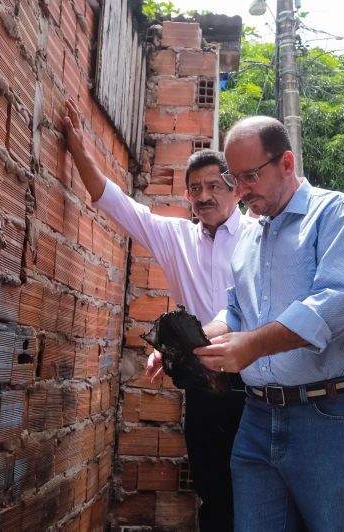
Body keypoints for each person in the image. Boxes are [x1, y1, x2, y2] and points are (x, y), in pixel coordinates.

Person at [63, 99, 250, 531]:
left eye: (214, 187)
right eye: (195, 189)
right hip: (204, 384)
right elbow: (117, 204)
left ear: (235, 189)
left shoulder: (260, 235)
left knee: (257, 488)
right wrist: (79, 149)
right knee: (211, 488)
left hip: (256, 381)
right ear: (187, 196)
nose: (203, 197)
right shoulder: (176, 238)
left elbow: (248, 307)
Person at [193, 115, 344, 532]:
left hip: (334, 416)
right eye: (234, 176)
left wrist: (254, 346)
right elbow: (237, 313)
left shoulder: (335, 215)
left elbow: (337, 303)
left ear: (285, 163)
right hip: (259, 416)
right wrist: (191, 341)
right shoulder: (249, 235)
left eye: (249, 176)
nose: (239, 190)